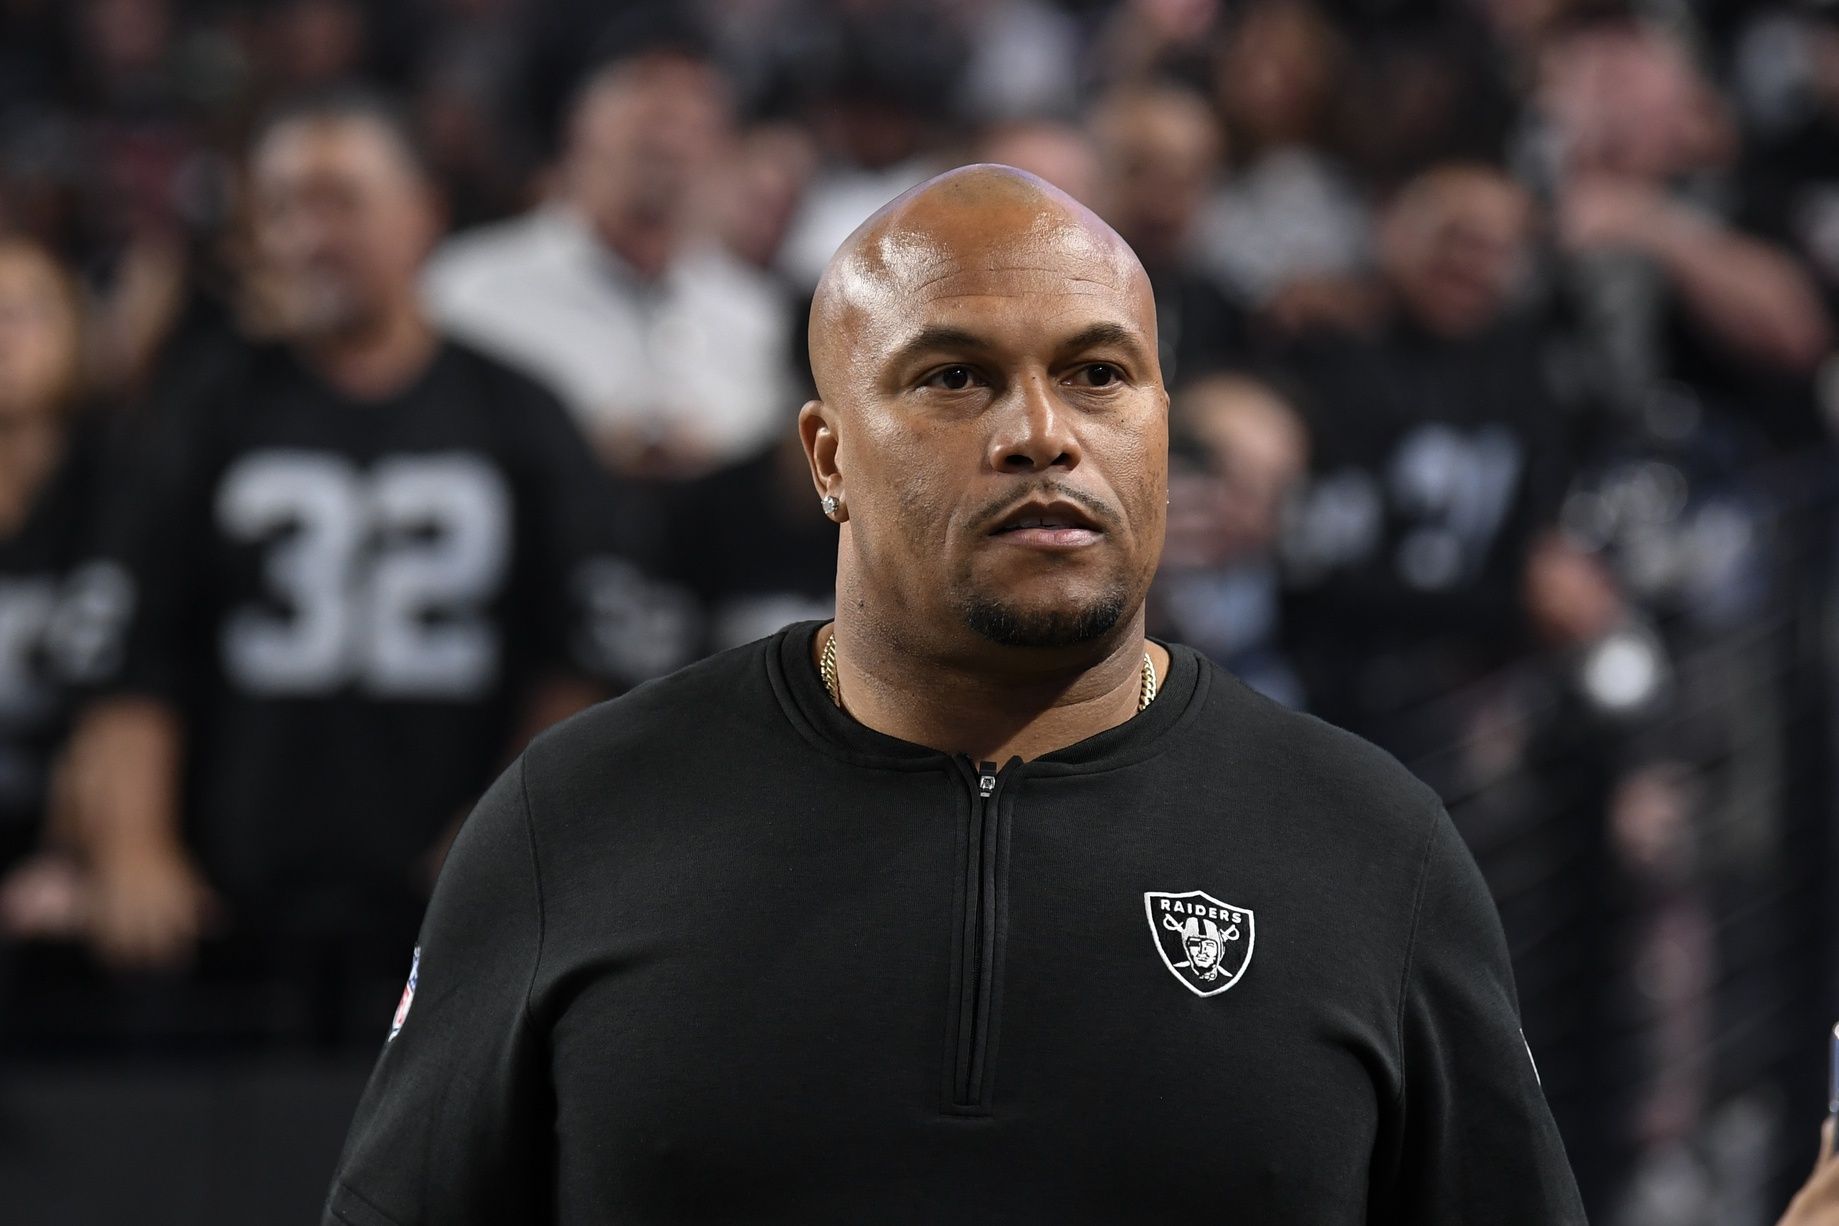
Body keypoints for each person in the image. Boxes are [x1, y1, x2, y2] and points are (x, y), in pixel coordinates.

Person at [323, 164, 1583, 1223]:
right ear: (827, 458)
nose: (1042, 430)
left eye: (1099, 373)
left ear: (1159, 418)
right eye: (953, 377)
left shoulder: (1371, 844)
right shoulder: (578, 815)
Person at [66, 93, 662, 1043]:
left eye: (337, 201)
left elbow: (583, 661)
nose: (308, 235)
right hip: (229, 906)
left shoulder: (519, 414)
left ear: (421, 214)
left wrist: (505, 841)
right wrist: (135, 846)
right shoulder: (202, 406)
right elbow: (135, 649)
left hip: (455, 907)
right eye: (283, 208)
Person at [425, 37, 795, 477]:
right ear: (578, 122)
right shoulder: (467, 288)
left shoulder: (756, 315)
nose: (673, 134)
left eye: (698, 113)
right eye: (650, 107)